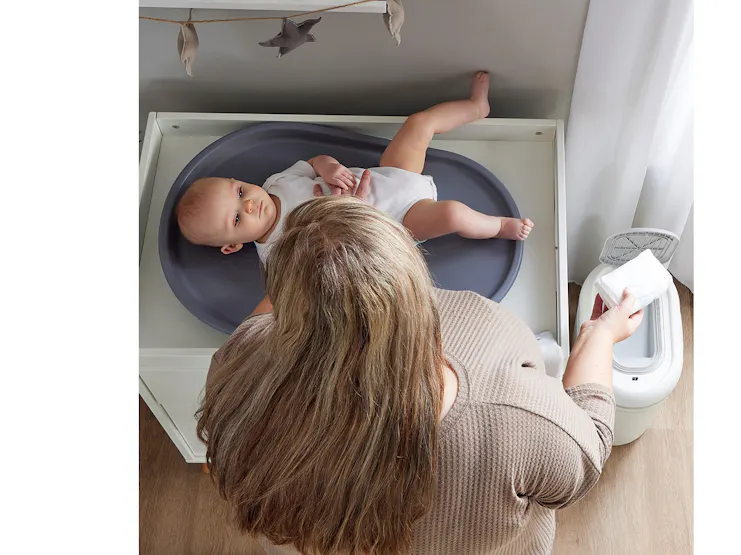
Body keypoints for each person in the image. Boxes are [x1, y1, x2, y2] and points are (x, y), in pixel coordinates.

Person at [196, 191, 644, 555]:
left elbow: (264, 327)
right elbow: (589, 449)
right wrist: (598, 337)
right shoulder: (518, 418)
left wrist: (323, 268)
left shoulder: (238, 369)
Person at [176, 72, 534, 264]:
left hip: (387, 176)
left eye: (240, 193)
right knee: (454, 215)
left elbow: (313, 162)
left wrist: (329, 168)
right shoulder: (277, 253)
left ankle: (476, 108)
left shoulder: (276, 182)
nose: (251, 204)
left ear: (240, 181)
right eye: (238, 219)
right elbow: (331, 261)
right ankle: (499, 226)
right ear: (232, 247)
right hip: (397, 217)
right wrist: (348, 214)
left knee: (418, 124)